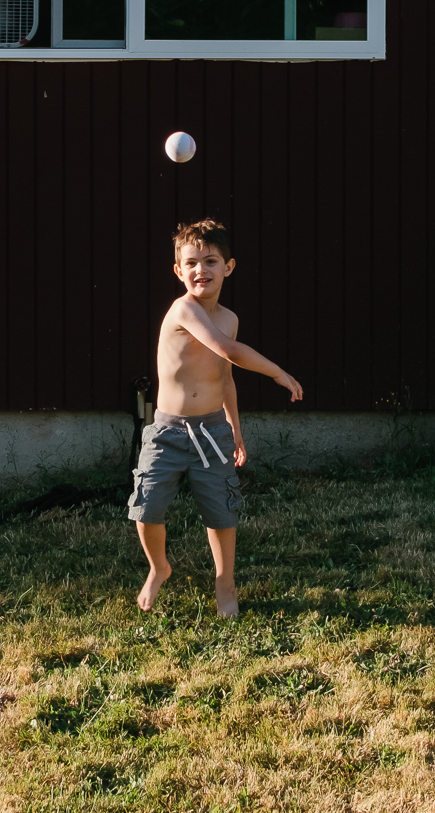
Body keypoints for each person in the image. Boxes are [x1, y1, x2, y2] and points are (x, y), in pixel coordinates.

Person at [128, 218, 302, 619]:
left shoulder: (229, 318)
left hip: (212, 431)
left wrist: (235, 432)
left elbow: (226, 377)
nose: (200, 270)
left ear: (229, 267)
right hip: (168, 432)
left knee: (221, 512)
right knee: (146, 506)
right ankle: (159, 567)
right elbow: (229, 350)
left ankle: (225, 584)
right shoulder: (183, 308)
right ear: (178, 270)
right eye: (190, 263)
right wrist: (277, 371)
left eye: (210, 261)